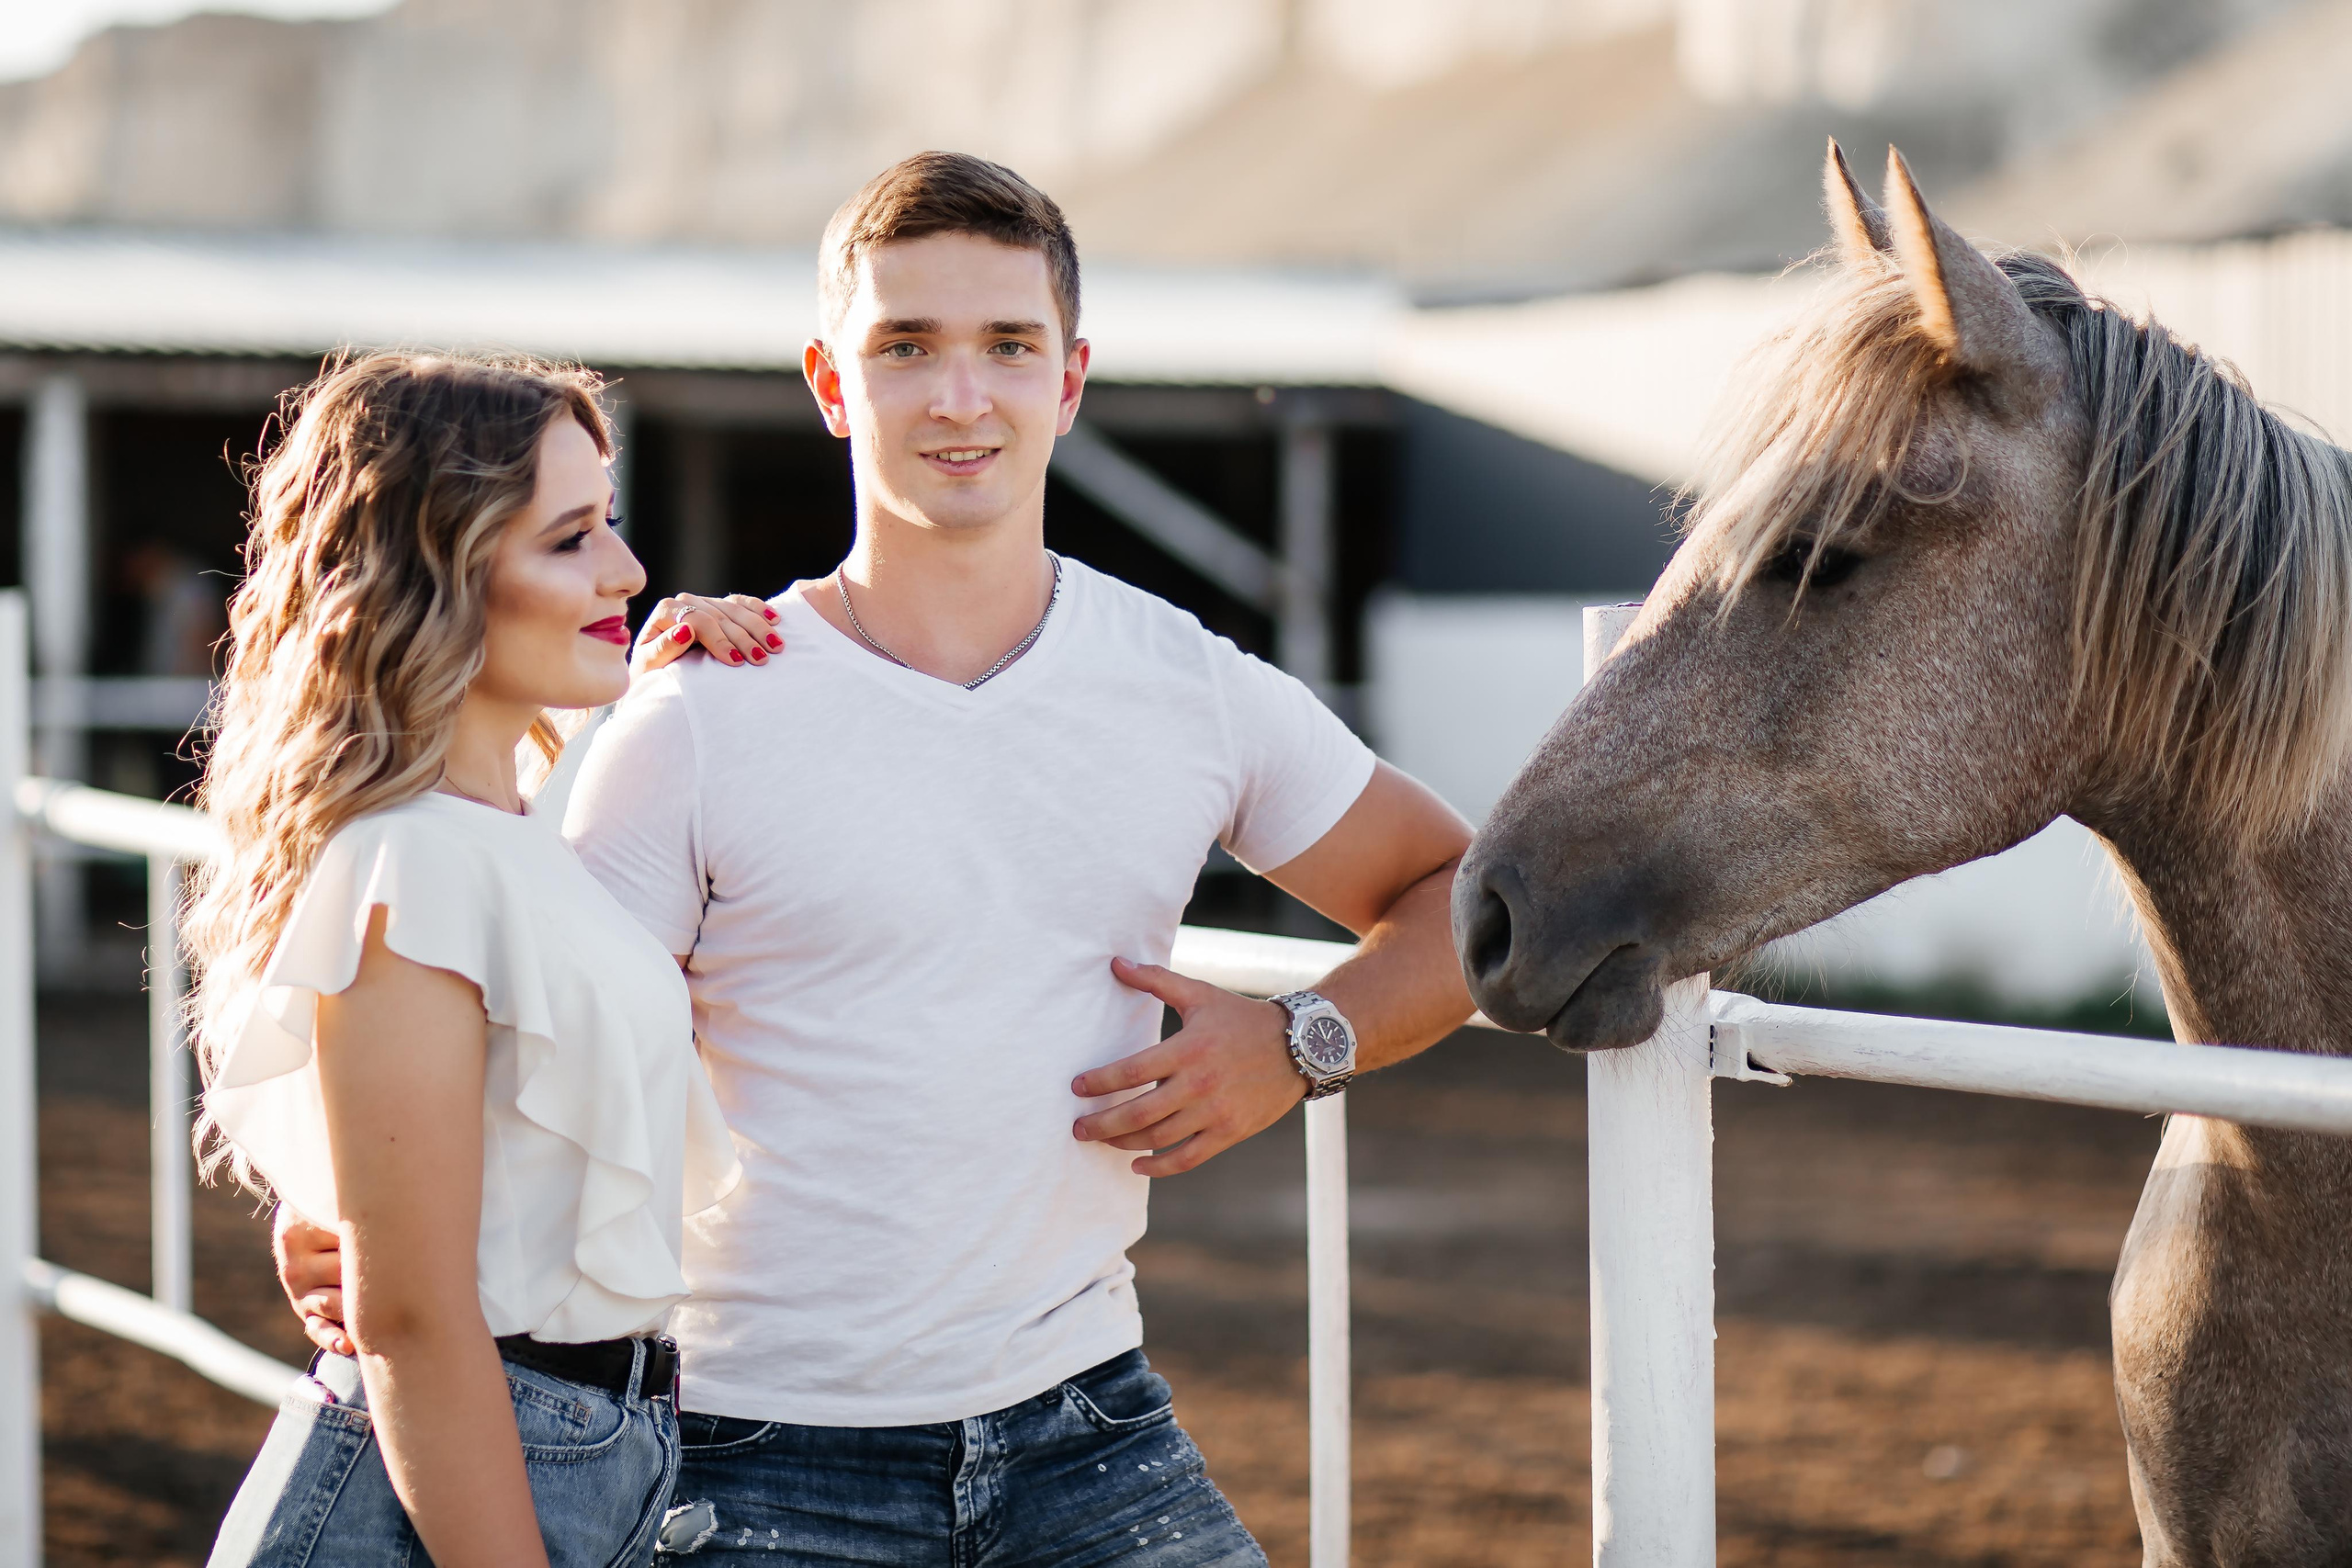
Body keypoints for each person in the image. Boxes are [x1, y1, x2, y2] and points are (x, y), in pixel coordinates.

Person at [279, 152, 1477, 1564]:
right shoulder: (701, 710)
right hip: (755, 1452)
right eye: (905, 347)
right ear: (831, 382)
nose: (960, 397)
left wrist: (1302, 1040)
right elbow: (518, 1068)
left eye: (1007, 348)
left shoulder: (1188, 685)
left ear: (1070, 380)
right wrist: (346, 1225)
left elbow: (1465, 893)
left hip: (1090, 1423)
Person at [191, 353, 758, 1568]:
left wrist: (637, 673)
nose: (629, 570)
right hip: (452, 1486)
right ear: (434, 576)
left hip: (575, 1452)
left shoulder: (501, 831)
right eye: (569, 542)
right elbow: (409, 1315)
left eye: (608, 524)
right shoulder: (416, 864)